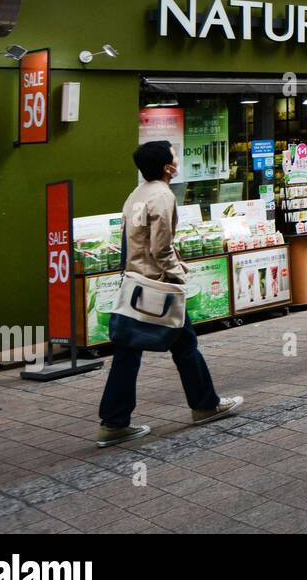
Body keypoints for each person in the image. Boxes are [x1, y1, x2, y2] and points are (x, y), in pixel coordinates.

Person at [96, 141, 242, 447]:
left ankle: (114, 422)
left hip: (136, 284)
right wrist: (177, 273)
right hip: (158, 288)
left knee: (128, 352)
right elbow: (159, 248)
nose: (178, 161)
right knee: (185, 344)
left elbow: (136, 242)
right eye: (174, 158)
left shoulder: (137, 194)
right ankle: (204, 406)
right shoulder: (162, 196)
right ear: (167, 168)